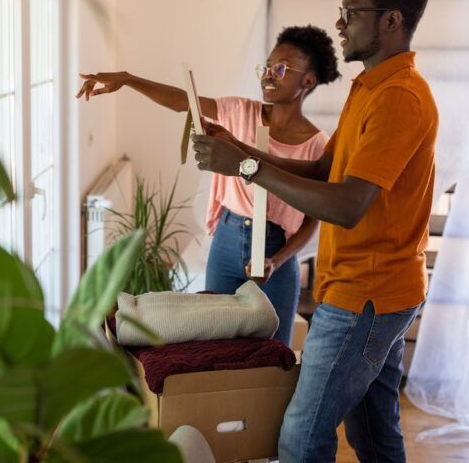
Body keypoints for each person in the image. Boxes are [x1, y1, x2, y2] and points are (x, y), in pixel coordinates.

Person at [192, 0, 437, 462]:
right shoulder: (368, 88)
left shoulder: (398, 98)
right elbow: (327, 172)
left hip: (365, 296)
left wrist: (247, 169)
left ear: (391, 20)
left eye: (352, 11)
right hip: (372, 290)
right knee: (373, 434)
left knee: (300, 438)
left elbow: (346, 206)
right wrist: (242, 154)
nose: (340, 23)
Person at [76, 26, 341, 346]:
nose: (269, 74)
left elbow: (312, 219)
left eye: (281, 68)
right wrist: (129, 79)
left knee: (273, 354)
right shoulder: (240, 112)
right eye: (267, 66)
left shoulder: (317, 146)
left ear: (308, 81)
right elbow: (184, 102)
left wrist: (278, 260)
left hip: (275, 251)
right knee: (213, 346)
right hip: (226, 242)